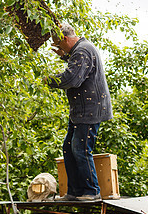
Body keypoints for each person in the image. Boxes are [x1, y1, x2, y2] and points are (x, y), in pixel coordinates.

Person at [45, 23, 113, 201]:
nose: (59, 48)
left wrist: (48, 80)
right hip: (81, 110)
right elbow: (79, 69)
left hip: (90, 110)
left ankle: (91, 191)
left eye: (59, 45)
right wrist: (64, 56)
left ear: (65, 39)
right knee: (68, 148)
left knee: (81, 149)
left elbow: (72, 79)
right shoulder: (79, 50)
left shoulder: (82, 50)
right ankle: (75, 192)